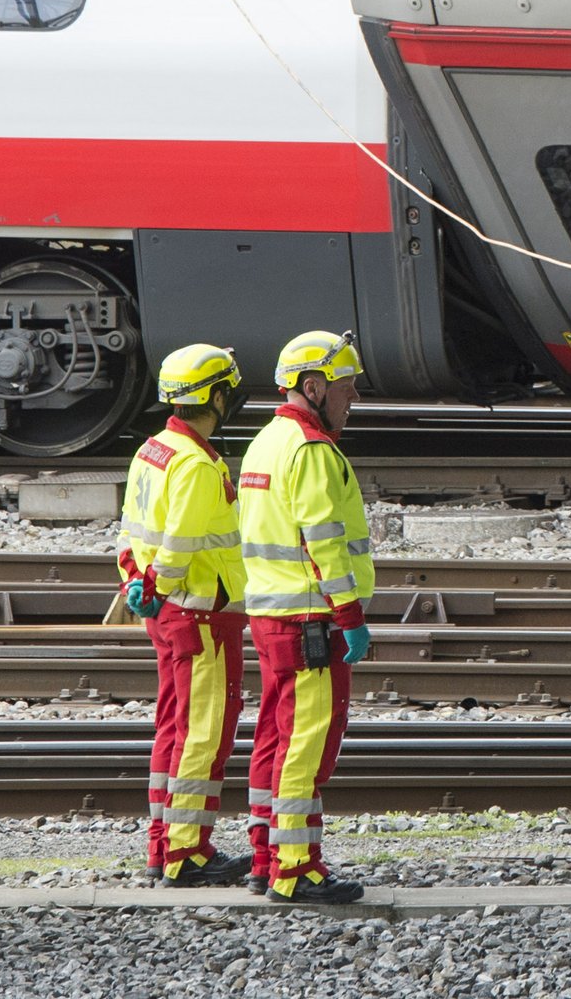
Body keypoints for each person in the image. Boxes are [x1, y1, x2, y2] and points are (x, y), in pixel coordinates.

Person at [237, 331, 374, 906]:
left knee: (273, 736)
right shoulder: (312, 451)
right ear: (313, 387)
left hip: (272, 615)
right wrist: (351, 616)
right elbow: (324, 542)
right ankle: (296, 870)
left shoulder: (265, 442)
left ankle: (266, 856)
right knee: (307, 744)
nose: (352, 401)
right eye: (346, 389)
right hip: (312, 620)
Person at [116, 344, 254, 889]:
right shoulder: (198, 464)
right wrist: (161, 585)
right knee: (203, 733)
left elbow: (130, 533)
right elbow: (178, 546)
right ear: (216, 396)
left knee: (174, 727)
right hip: (200, 616)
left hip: (168, 615)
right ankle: (186, 854)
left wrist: (137, 584)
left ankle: (164, 845)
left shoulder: (153, 450)